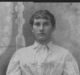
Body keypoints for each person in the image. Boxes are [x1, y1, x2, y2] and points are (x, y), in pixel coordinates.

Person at [6, 10, 79, 75]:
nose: (41, 28)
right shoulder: (20, 55)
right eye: (37, 24)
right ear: (32, 28)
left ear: (53, 28)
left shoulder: (65, 55)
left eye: (46, 24)